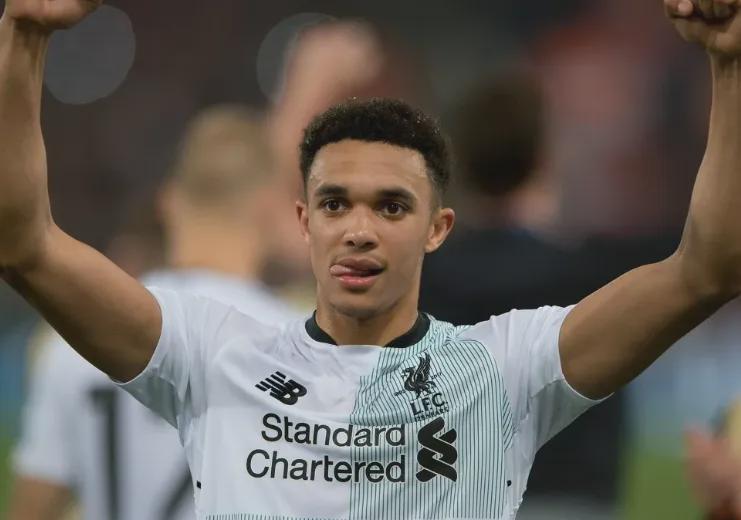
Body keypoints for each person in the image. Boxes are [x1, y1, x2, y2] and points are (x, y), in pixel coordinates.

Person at [1, 0, 740, 518]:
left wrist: (729, 66)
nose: (358, 230)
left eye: (391, 207)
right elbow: (24, 245)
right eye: (334, 204)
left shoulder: (506, 368)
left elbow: (707, 268)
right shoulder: (214, 354)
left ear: (437, 229)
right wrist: (24, 39)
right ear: (303, 223)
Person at [7, 105, 299, 520]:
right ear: (269, 206)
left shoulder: (78, 335)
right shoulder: (297, 348)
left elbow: (30, 511)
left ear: (168, 202)